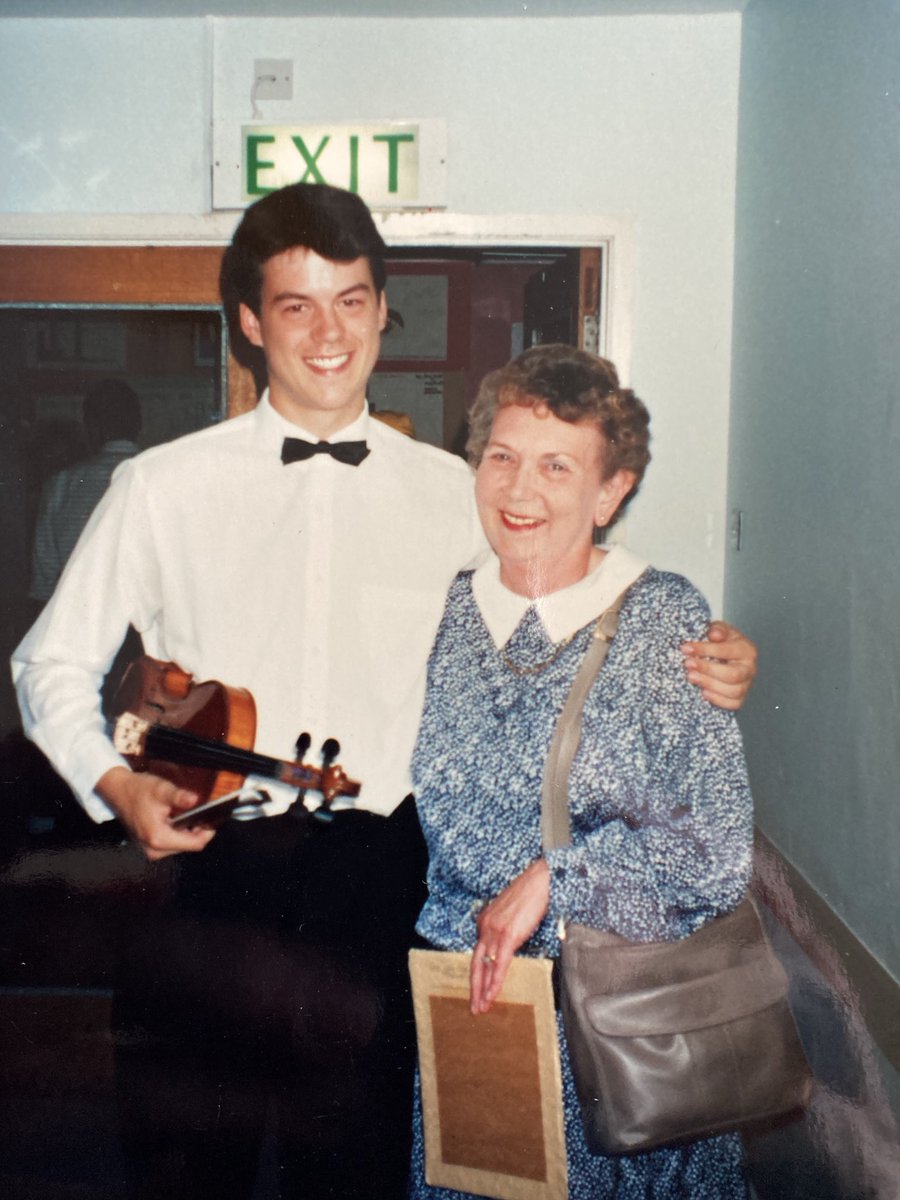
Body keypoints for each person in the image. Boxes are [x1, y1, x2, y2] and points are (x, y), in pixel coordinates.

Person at [11, 183, 756, 1200]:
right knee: (191, 1169)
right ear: (247, 321)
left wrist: (706, 652)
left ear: (380, 311)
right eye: (297, 306)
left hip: (380, 882)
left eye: (353, 301)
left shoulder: (459, 490)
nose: (329, 333)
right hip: (209, 873)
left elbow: (575, 584)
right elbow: (46, 663)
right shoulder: (159, 487)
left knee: (358, 1170)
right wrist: (113, 782)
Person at [409, 344, 753, 1198]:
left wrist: (555, 880)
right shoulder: (437, 607)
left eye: (557, 467)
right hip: (471, 1004)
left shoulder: (664, 618)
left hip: (617, 1019)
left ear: (610, 492)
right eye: (502, 457)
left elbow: (714, 852)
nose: (520, 491)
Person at [29, 378, 142, 603]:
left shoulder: (62, 484)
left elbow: (44, 584)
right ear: (138, 424)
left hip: (80, 622)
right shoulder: (159, 478)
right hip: (146, 628)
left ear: (91, 427)